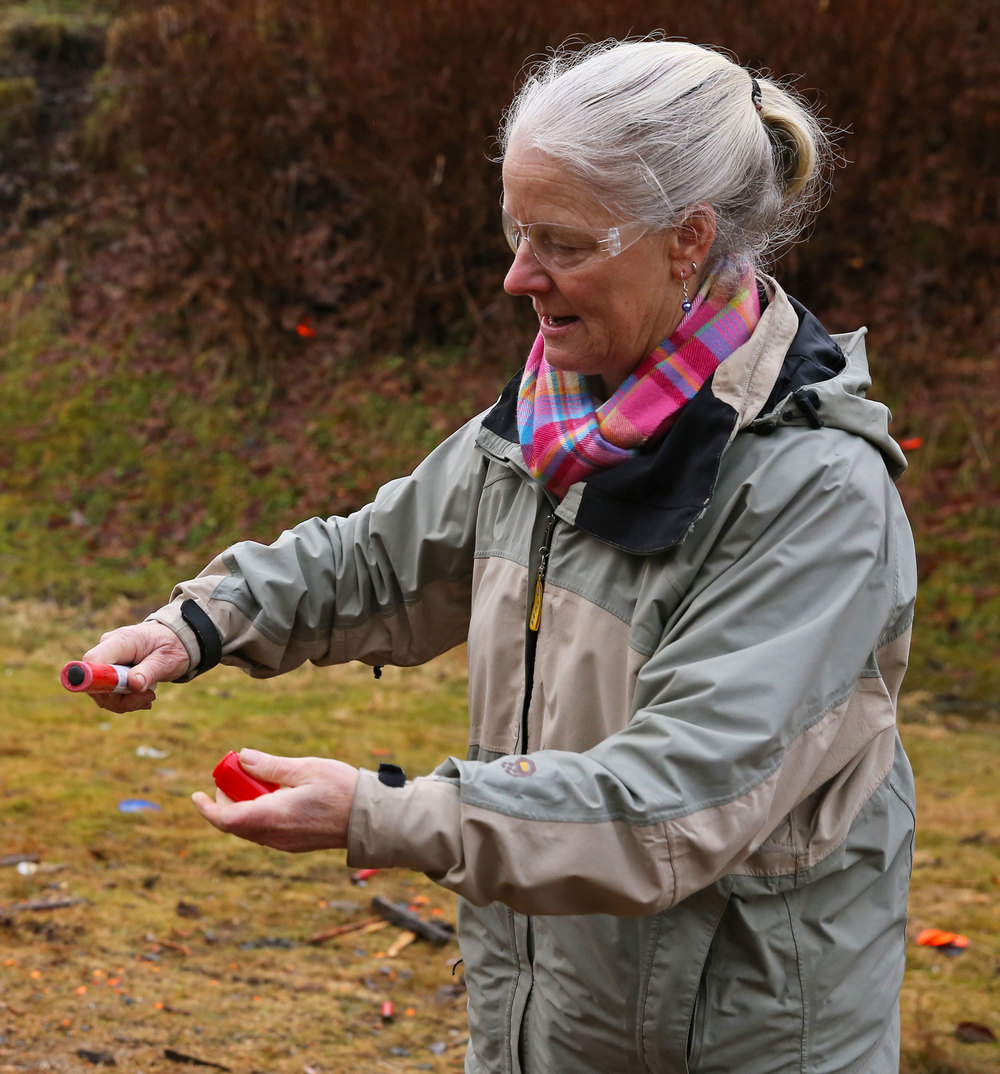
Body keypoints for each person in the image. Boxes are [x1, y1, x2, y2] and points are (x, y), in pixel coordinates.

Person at [84, 37, 917, 1074]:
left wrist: (386, 814)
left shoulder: (816, 497)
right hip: (553, 1023)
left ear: (686, 240)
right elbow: (384, 562)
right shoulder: (555, 420)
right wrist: (195, 624)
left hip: (727, 1043)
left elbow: (674, 804)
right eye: (517, 231)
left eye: (560, 241)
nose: (519, 276)